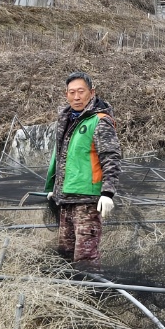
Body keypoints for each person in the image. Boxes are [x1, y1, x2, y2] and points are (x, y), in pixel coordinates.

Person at [44, 72, 121, 268]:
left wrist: (107, 192)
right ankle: (69, 294)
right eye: (72, 92)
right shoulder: (67, 121)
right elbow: (62, 156)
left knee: (85, 259)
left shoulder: (99, 121)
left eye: (81, 92)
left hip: (87, 201)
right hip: (65, 199)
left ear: (92, 92)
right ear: (66, 94)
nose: (76, 97)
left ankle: (91, 296)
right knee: (65, 254)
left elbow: (111, 157)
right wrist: (55, 186)